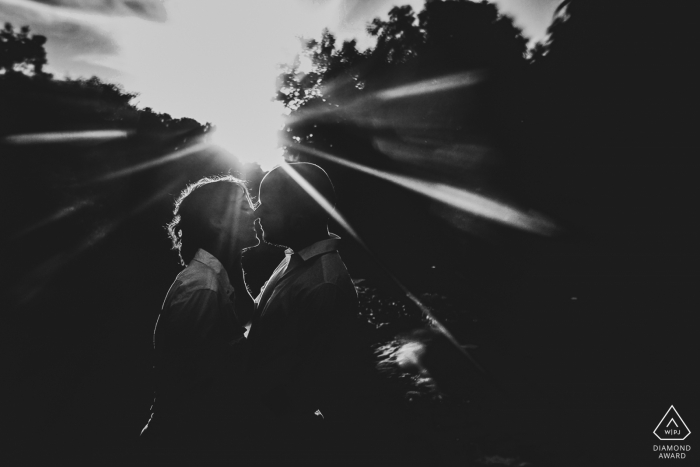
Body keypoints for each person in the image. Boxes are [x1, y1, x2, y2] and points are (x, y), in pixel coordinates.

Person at [139, 175, 258, 465]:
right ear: (217, 222)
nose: (255, 212)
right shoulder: (202, 286)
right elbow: (189, 383)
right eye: (244, 206)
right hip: (183, 444)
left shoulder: (219, 276)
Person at [246, 162, 361, 463]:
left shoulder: (323, 286)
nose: (256, 214)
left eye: (266, 207)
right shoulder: (291, 259)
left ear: (297, 221)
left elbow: (315, 385)